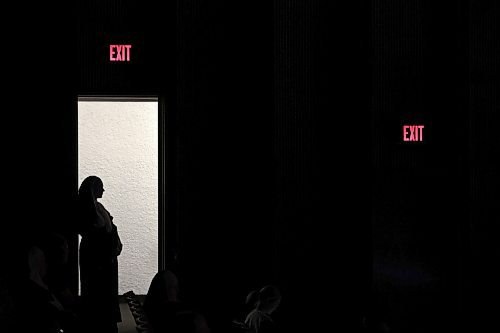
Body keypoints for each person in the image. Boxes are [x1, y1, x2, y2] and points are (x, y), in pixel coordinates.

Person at [77, 176, 122, 333]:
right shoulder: (87, 211)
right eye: (101, 187)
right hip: (96, 258)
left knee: (107, 290)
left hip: (106, 257)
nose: (103, 190)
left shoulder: (99, 207)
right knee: (97, 290)